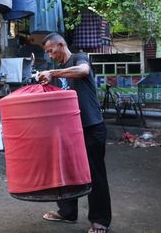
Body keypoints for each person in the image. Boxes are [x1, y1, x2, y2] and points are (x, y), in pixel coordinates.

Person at [38, 32, 112, 233]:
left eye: (51, 51)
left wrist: (53, 74)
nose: (50, 56)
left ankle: (100, 220)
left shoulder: (79, 58)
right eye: (47, 53)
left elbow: (83, 71)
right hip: (69, 130)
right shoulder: (58, 70)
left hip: (91, 127)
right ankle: (67, 212)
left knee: (94, 174)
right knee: (68, 171)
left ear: (61, 44)